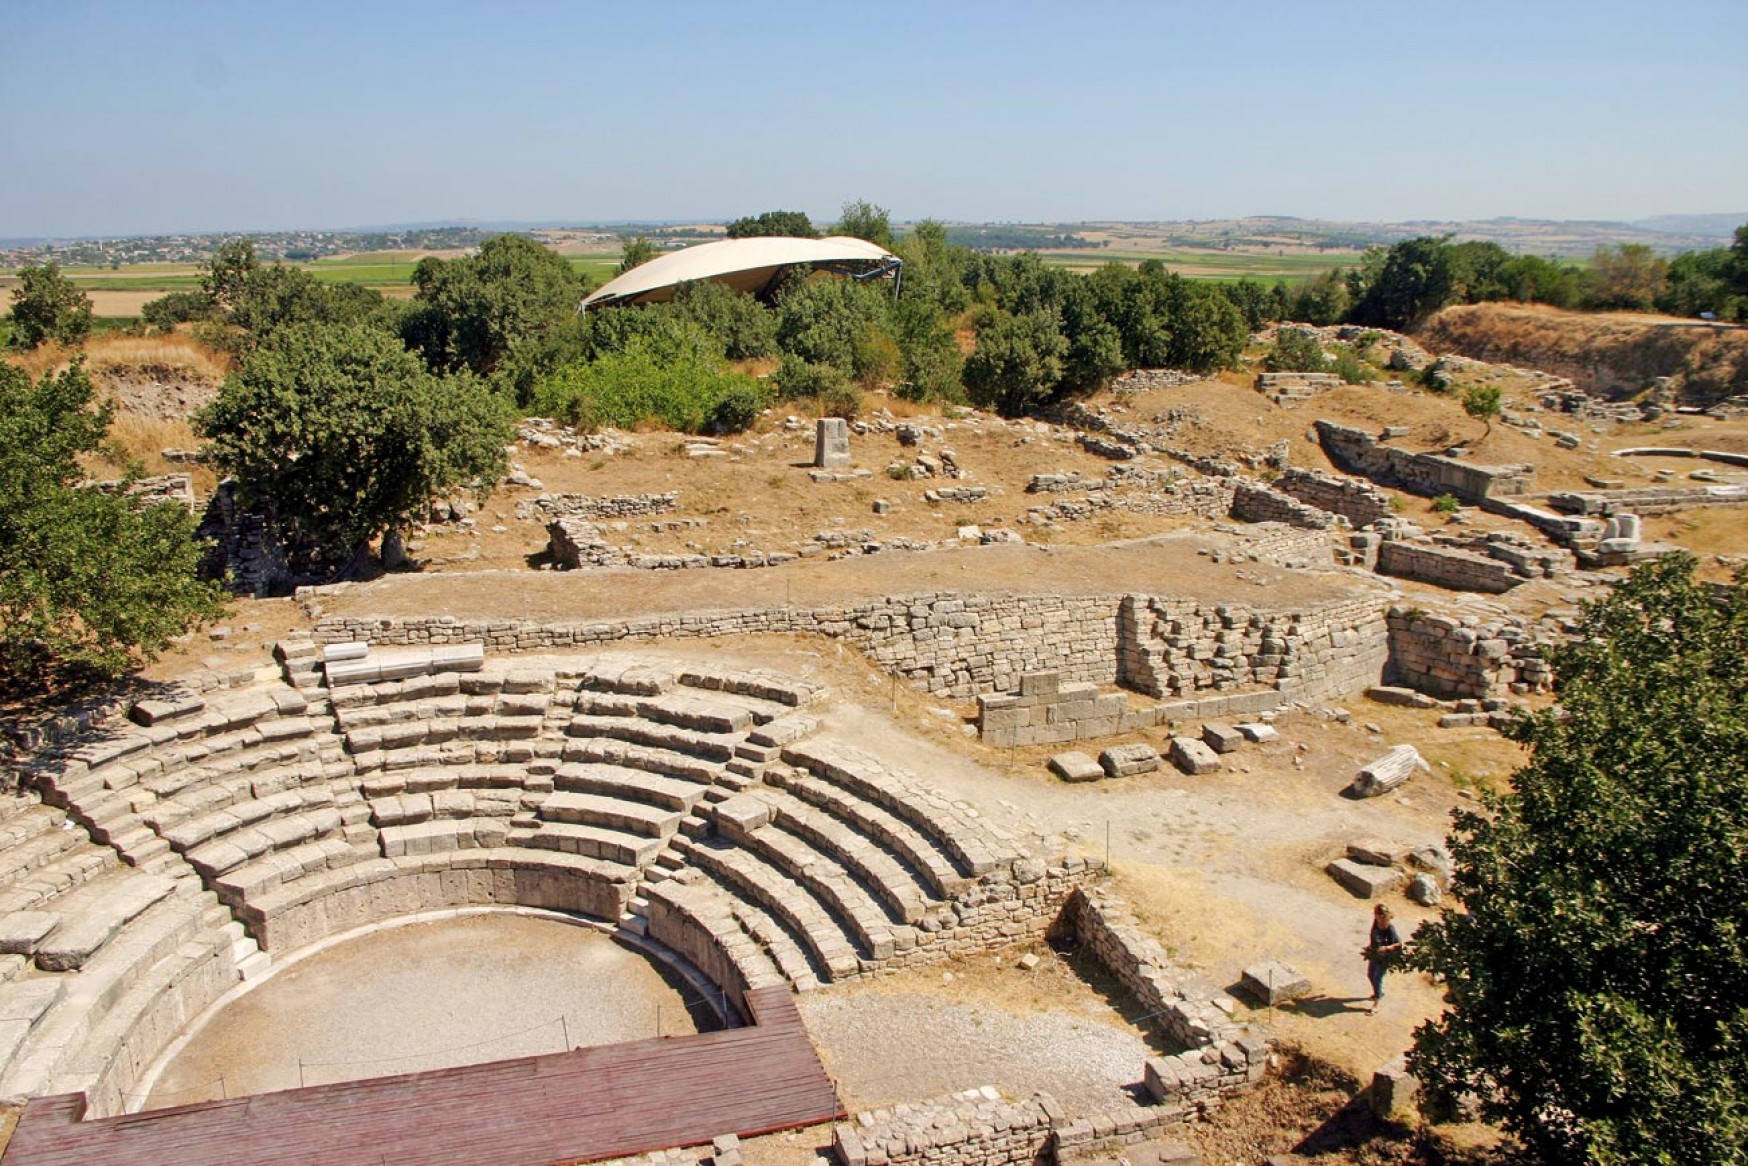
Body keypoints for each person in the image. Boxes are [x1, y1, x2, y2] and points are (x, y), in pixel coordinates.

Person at [1363, 904, 1403, 1014]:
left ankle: (1376, 1004)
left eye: (1375, 914)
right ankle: (1379, 992)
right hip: (1375, 954)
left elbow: (1399, 944)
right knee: (1370, 975)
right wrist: (1371, 946)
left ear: (1380, 915)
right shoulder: (1376, 922)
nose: (1374, 915)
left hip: (1386, 958)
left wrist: (1386, 948)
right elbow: (1373, 936)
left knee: (1377, 978)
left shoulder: (1389, 928)